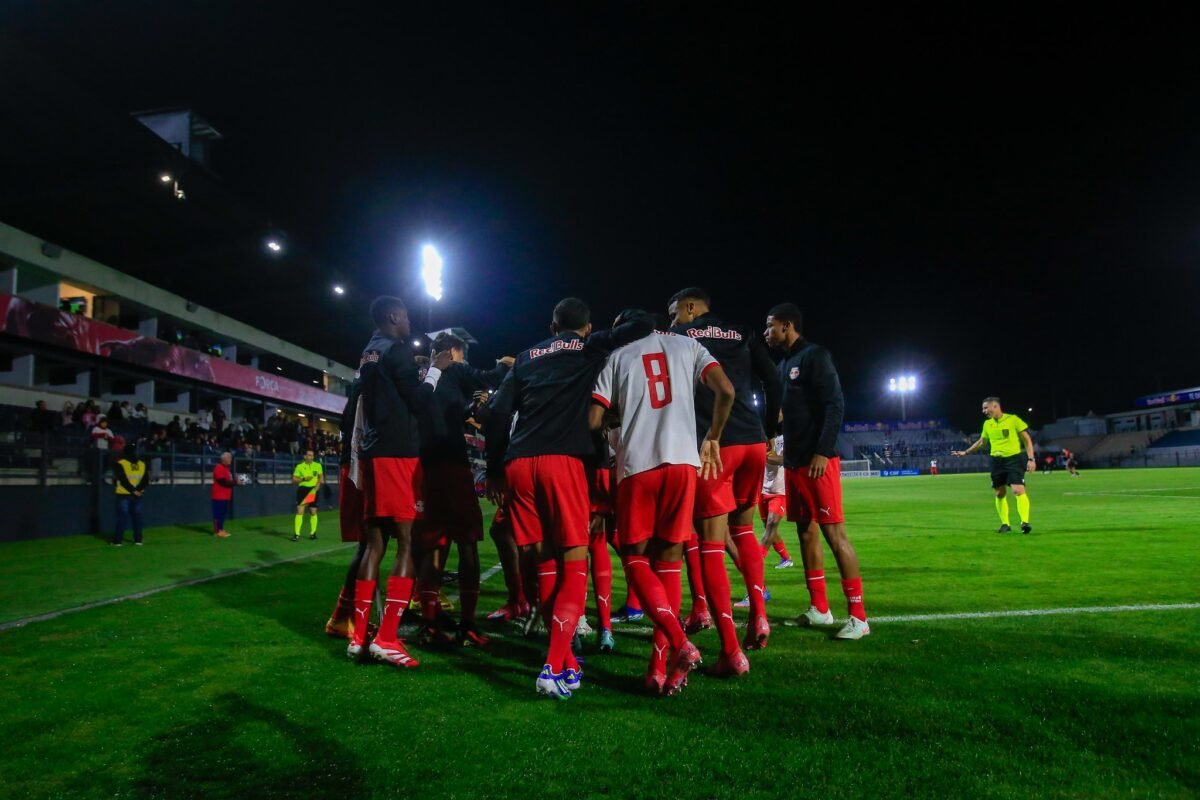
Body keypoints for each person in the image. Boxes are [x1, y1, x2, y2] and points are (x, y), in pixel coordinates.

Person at [484, 297, 653, 700]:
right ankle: (553, 664)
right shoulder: (591, 346)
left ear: (551, 326)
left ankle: (568, 661)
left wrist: (493, 468)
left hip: (520, 463)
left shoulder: (526, 357)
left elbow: (495, 413)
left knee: (541, 558)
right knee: (576, 560)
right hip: (564, 462)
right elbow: (643, 325)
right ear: (588, 327)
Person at [589, 309, 736, 691]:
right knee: (670, 565)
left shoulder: (618, 357)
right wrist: (714, 437)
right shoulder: (689, 345)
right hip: (684, 463)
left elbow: (593, 420)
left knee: (634, 556)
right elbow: (726, 390)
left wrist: (615, 419)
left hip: (638, 466)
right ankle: (659, 670)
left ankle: (679, 642)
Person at [669, 288, 782, 654]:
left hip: (714, 445)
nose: (672, 321)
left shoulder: (682, 336)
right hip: (752, 440)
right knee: (745, 530)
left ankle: (727, 642)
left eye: (674, 313)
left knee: (710, 543)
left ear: (689, 308)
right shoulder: (744, 333)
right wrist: (770, 430)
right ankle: (759, 614)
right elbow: (774, 381)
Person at [345, 296, 450, 669]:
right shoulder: (398, 350)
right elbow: (418, 401)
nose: (408, 324)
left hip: (373, 451)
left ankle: (359, 636)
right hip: (396, 453)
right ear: (393, 317)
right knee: (406, 541)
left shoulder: (370, 350)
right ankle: (387, 637)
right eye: (405, 317)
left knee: (374, 542)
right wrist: (436, 370)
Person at [765, 302, 870, 640]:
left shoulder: (815, 356)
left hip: (817, 462)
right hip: (794, 464)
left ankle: (858, 616)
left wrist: (823, 452)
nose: (767, 332)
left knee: (834, 535)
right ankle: (820, 609)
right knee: (806, 533)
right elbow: (785, 413)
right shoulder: (785, 365)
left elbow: (834, 404)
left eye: (770, 326)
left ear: (787, 325)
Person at [415, 332, 513, 647]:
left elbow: (442, 412)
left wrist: (470, 408)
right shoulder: (454, 369)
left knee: (433, 546)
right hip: (452, 468)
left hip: (425, 469)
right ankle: (467, 625)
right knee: (467, 543)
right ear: (454, 351)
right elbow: (488, 375)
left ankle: (429, 622)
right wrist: (507, 364)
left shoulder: (424, 375)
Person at [952, 397, 1035, 534]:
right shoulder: (987, 424)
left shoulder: (1013, 420)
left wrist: (1031, 459)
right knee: (999, 492)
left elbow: (1026, 440)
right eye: (983, 408)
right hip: (996, 462)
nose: (984, 411)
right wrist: (966, 452)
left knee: (1018, 490)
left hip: (1013, 459)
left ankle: (1025, 522)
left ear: (996, 406)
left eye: (986, 408)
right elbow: (981, 442)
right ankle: (1005, 524)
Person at [759, 433, 794, 568]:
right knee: (770, 530)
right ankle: (786, 558)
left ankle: (756, 561)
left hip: (780, 490)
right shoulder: (760, 435)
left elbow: (785, 459)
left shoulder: (787, 437)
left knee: (771, 524)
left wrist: (765, 457)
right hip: (763, 490)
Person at [113, 443, 149, 546]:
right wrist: (137, 490)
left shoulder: (121, 463)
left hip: (124, 494)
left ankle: (118, 541)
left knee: (122, 518)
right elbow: (145, 480)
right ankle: (138, 540)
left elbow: (123, 479)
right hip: (138, 495)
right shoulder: (142, 464)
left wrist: (132, 490)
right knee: (137, 517)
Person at [291, 449, 323, 541]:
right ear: (305, 456)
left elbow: (320, 476)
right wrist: (304, 479)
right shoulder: (299, 466)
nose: (311, 457)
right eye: (309, 455)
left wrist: (318, 485)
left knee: (313, 512)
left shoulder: (318, 466)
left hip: (313, 489)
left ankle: (313, 533)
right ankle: (297, 534)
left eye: (312, 455)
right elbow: (294, 480)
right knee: (300, 511)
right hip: (303, 489)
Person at [212, 451, 235, 538]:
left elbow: (228, 482)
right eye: (229, 458)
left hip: (225, 496)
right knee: (218, 514)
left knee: (222, 513)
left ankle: (221, 529)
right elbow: (222, 482)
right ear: (224, 459)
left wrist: (235, 482)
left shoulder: (226, 469)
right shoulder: (219, 468)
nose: (230, 460)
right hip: (219, 495)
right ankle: (218, 531)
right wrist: (235, 482)